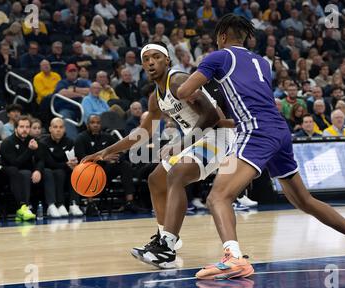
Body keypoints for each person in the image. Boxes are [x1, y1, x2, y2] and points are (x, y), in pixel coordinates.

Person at [176, 14, 345, 279]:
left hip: (255, 131)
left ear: (223, 37)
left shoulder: (218, 57)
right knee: (305, 201)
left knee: (218, 196)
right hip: (279, 131)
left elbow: (183, 92)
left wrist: (193, 92)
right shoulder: (261, 62)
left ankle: (234, 258)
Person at [82, 42, 235, 268]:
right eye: (146, 59)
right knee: (155, 179)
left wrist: (181, 143)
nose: (151, 62)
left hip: (218, 137)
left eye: (156, 57)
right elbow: (143, 133)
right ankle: (166, 237)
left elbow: (212, 116)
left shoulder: (178, 80)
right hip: (195, 140)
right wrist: (107, 151)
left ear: (167, 60)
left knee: (177, 174)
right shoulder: (156, 97)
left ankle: (167, 249)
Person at [0, 116, 40, 221]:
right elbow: (15, 163)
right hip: (5, 175)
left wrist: (37, 170)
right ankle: (23, 207)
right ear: (15, 128)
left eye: (27, 127)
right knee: (19, 171)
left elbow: (41, 159)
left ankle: (54, 205)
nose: (24, 129)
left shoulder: (32, 141)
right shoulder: (7, 142)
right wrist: (30, 150)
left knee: (38, 172)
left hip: (25, 172)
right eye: (21, 127)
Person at [40, 118, 83, 218]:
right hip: (48, 171)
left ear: (64, 129)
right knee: (57, 172)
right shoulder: (43, 142)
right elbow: (49, 163)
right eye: (55, 127)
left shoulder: (70, 142)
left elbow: (73, 159)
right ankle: (57, 205)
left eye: (61, 127)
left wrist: (74, 163)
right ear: (50, 129)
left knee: (75, 171)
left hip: (64, 169)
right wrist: (66, 164)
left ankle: (74, 204)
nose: (58, 130)